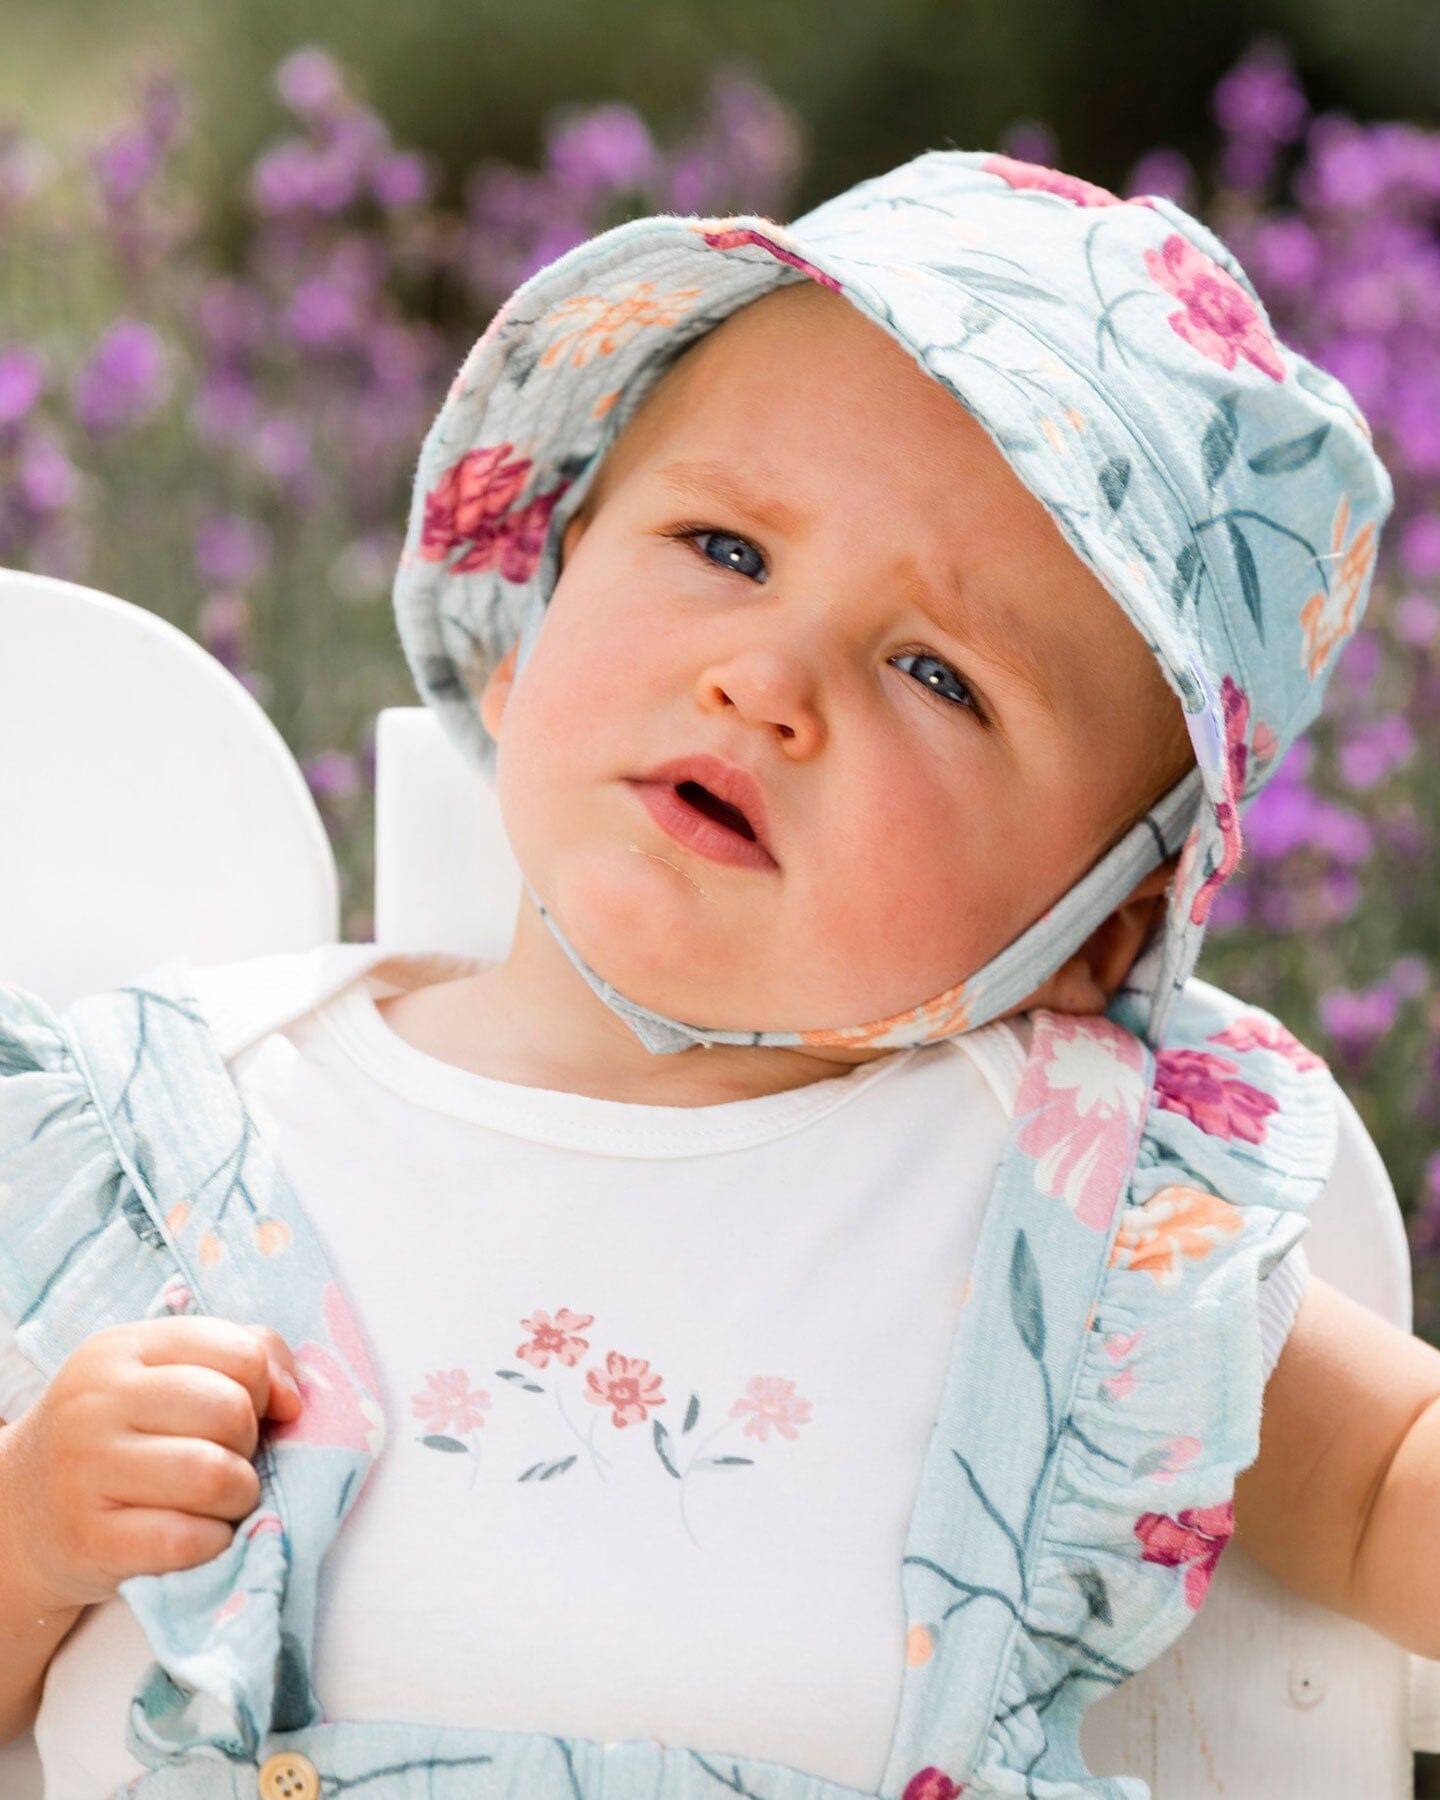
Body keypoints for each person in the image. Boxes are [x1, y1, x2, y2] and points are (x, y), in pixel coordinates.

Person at [0, 147, 1435, 1800]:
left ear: (1101, 923)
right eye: (726, 549)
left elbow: (1393, 1469)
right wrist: (37, 1526)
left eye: (936, 675)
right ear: (539, 592)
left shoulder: (1087, 1218)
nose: (766, 680)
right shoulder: (169, 1148)